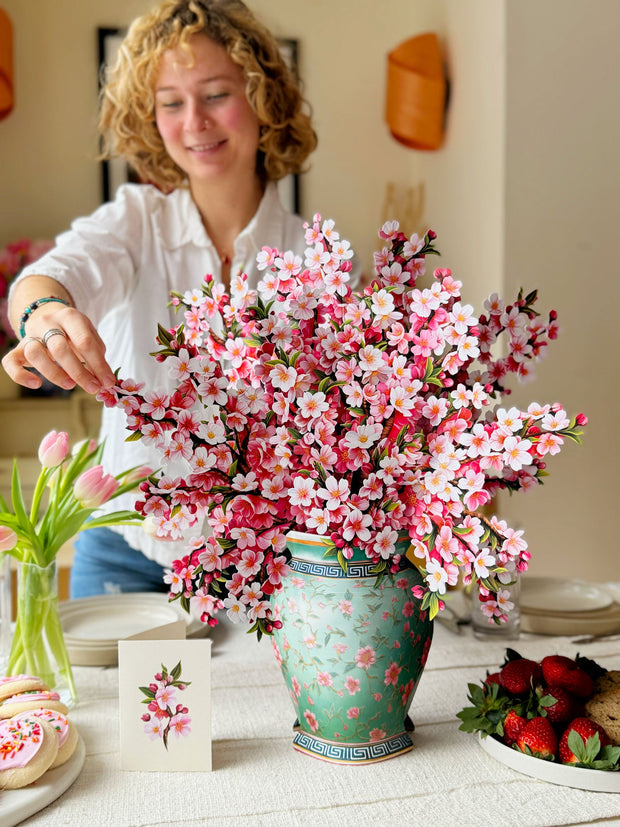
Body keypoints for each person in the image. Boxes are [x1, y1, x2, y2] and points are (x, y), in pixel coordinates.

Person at [1, 0, 331, 597]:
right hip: (124, 549)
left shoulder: (315, 254)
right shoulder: (136, 222)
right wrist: (42, 313)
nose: (194, 122)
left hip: (266, 561)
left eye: (216, 94)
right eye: (171, 103)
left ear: (262, 99)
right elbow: (55, 274)